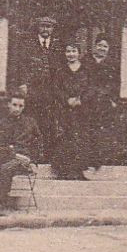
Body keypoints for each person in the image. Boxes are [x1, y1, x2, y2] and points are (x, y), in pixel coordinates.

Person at [0, 93, 42, 218]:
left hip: (24, 160)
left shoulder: (30, 123)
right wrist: (14, 155)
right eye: (14, 105)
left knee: (6, 169)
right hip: (6, 157)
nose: (17, 108)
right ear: (8, 105)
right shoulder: (1, 124)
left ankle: (1, 206)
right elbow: (0, 146)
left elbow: (38, 143)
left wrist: (33, 160)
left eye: (21, 106)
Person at [50, 42, 95, 179]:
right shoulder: (61, 71)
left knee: (81, 137)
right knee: (66, 137)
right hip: (65, 110)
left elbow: (91, 88)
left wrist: (81, 99)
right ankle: (64, 170)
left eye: (74, 51)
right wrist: (66, 100)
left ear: (79, 53)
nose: (71, 54)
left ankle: (79, 171)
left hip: (82, 110)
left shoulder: (86, 70)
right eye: (68, 51)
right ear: (65, 53)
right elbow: (56, 88)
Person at [85, 36, 119, 169]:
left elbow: (116, 83)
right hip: (88, 101)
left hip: (105, 101)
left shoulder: (113, 64)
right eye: (99, 45)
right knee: (88, 128)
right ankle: (87, 159)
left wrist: (113, 99)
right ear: (95, 46)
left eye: (105, 46)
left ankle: (101, 159)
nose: (102, 49)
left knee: (103, 130)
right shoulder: (86, 61)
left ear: (108, 49)